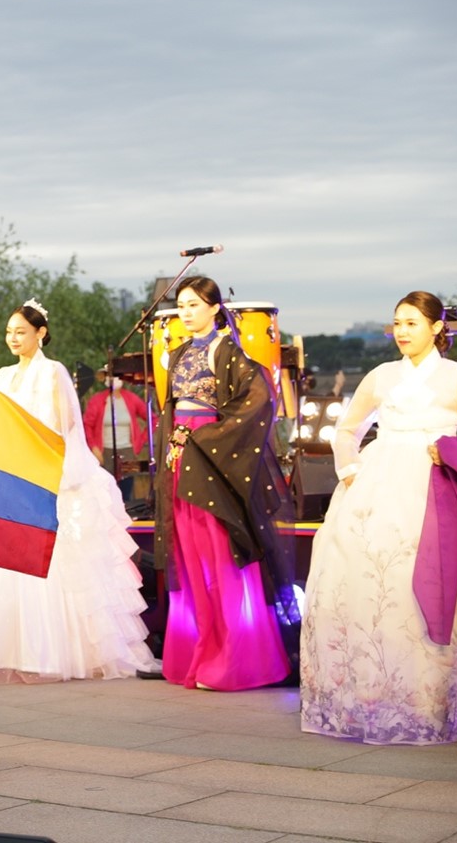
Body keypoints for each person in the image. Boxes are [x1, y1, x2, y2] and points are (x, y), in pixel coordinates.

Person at [0, 303, 153, 682]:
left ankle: (60, 652)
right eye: (9, 332)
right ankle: (3, 649)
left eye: (21, 331)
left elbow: (64, 423)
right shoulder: (2, 376)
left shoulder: (52, 372)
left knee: (60, 561)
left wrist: (33, 452)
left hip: (46, 468)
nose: (13, 339)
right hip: (9, 470)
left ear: (40, 333)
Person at [300, 291, 457, 744]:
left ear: (436, 327)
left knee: (427, 579)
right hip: (378, 481)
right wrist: (351, 471)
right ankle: (374, 694)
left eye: (412, 323)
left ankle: (431, 700)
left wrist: (449, 451)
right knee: (371, 583)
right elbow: (347, 428)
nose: (403, 332)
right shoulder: (382, 375)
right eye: (397, 323)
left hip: (435, 483)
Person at [153, 276, 291, 691]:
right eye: (182, 305)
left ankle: (236, 658)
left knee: (220, 555)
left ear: (215, 308)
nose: (186, 312)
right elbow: (169, 412)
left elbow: (259, 401)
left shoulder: (229, 351)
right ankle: (197, 652)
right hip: (181, 457)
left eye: (194, 304)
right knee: (190, 558)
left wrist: (207, 439)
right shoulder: (176, 355)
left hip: (211, 457)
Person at [83, 373, 152, 504]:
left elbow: (152, 419)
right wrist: (94, 447)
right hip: (105, 453)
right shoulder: (97, 400)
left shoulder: (131, 399)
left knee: (127, 490)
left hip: (128, 452)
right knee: (105, 492)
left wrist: (140, 440)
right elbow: (87, 425)